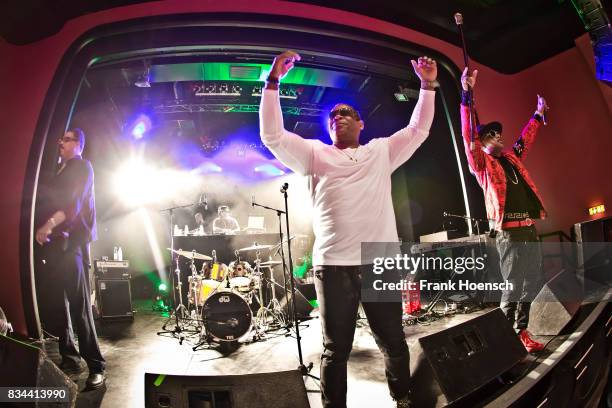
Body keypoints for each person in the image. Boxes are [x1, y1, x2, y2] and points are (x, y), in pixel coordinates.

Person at [260, 50, 437, 408]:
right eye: (334, 115)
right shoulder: (314, 154)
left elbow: (418, 130)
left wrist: (428, 85)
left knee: (393, 340)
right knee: (335, 349)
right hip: (333, 264)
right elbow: (273, 137)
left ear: (361, 125)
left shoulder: (381, 151)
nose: (339, 116)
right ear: (328, 128)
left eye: (348, 113)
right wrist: (273, 81)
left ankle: (402, 397)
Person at [460, 67, 548, 353]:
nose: (498, 136)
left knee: (530, 284)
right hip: (508, 233)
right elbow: (468, 134)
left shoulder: (511, 158)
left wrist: (537, 114)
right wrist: (466, 94)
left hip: (528, 230)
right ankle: (503, 339)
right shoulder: (482, 165)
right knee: (513, 286)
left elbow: (527, 139)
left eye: (499, 133)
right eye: (492, 134)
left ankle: (521, 332)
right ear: (482, 143)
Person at [35, 128, 106, 388]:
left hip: (74, 243)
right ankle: (70, 357)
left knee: (79, 306)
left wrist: (47, 226)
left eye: (66, 139)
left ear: (78, 144)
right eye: (61, 139)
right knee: (57, 303)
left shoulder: (83, 166)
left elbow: (73, 205)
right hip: (57, 245)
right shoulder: (61, 169)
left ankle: (97, 366)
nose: (60, 143)